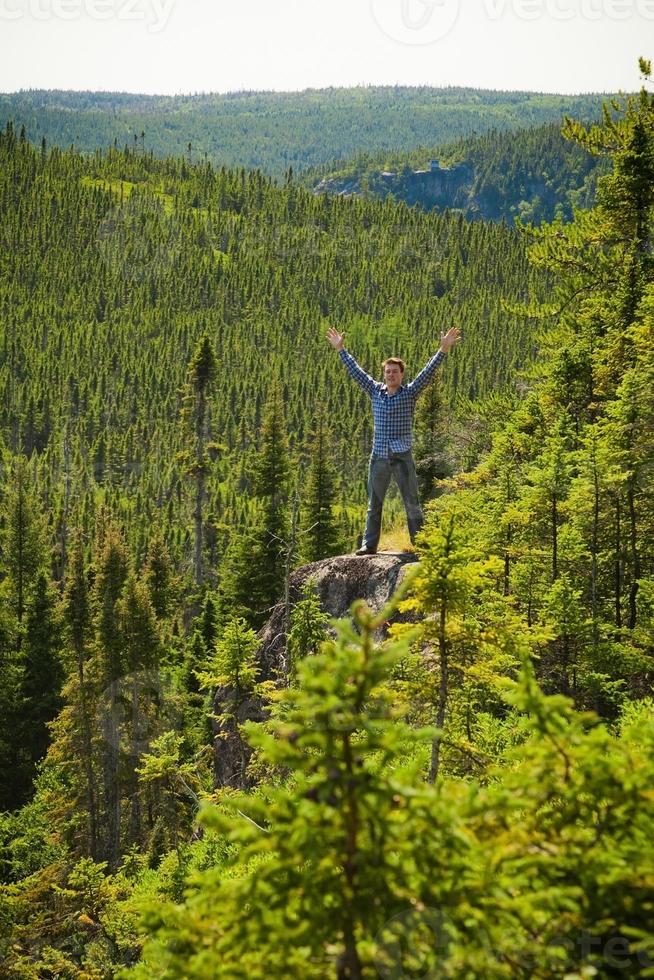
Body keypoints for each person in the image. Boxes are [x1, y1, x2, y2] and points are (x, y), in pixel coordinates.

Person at [326, 325, 461, 555]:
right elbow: (356, 372)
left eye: (394, 371)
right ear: (384, 373)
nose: (390, 374)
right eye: (387, 371)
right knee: (374, 504)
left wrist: (443, 349)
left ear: (401, 374)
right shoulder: (374, 390)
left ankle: (420, 545)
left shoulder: (410, 392)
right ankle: (369, 546)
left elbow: (427, 372)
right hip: (378, 455)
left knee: (411, 502)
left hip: (402, 455)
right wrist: (341, 349)